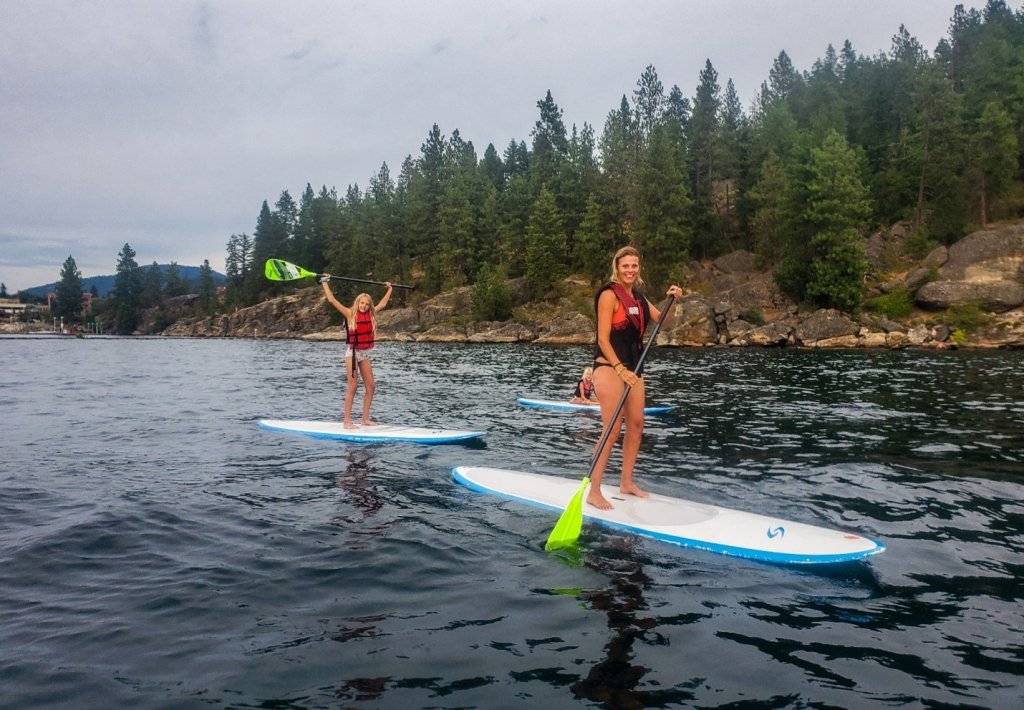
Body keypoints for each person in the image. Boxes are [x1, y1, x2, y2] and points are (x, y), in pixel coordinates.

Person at [588, 246, 682, 510]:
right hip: (609, 367)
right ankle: (594, 491)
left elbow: (664, 321)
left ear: (639, 268)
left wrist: (673, 301)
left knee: (637, 424)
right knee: (612, 428)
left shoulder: (639, 298)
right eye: (625, 266)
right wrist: (619, 368)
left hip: (634, 369)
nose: (630, 270)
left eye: (634, 265)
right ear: (617, 267)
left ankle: (626, 482)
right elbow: (603, 340)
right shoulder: (608, 295)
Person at [320, 275, 393, 428]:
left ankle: (365, 419)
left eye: (367, 304)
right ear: (357, 302)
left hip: (364, 354)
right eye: (362, 302)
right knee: (353, 386)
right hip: (352, 354)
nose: (364, 306)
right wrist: (325, 282)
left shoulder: (372, 314)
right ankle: (347, 422)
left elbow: (383, 304)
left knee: (371, 386)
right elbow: (332, 300)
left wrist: (390, 289)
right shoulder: (350, 313)